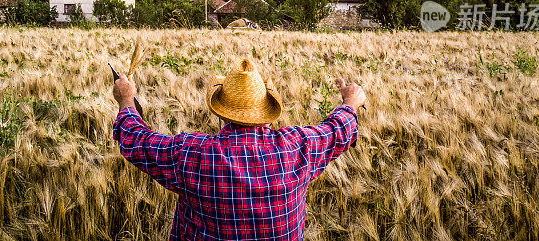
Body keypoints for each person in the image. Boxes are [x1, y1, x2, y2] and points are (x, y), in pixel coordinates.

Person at [112, 58, 366, 240]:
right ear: (266, 110)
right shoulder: (299, 147)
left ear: (221, 112)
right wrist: (350, 102)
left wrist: (126, 100)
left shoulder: (193, 154)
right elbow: (337, 130)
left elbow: (136, 140)